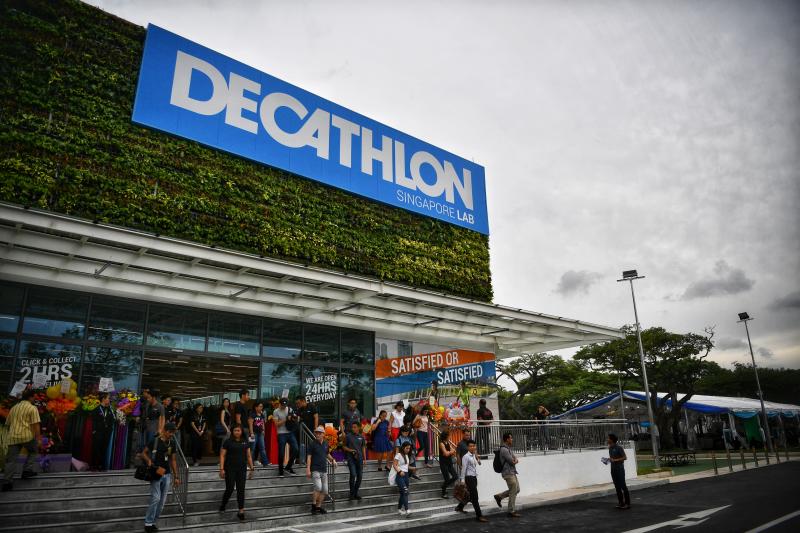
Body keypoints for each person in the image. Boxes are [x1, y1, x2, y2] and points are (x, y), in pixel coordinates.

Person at [141, 422, 180, 533]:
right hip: (156, 472)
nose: (171, 434)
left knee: (162, 502)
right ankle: (148, 523)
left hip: (167, 474)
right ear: (164, 430)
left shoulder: (172, 443)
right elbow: (143, 453)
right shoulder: (155, 441)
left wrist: (176, 476)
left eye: (173, 433)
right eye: (170, 432)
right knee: (156, 498)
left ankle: (153, 522)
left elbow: (173, 460)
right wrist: (148, 460)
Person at [2, 388, 41, 491]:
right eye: (34, 397)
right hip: (26, 436)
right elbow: (36, 424)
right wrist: (38, 438)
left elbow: (8, 423)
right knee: (33, 450)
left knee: (11, 460)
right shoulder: (32, 408)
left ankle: (7, 483)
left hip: (13, 437)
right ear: (30, 397)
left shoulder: (14, 408)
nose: (34, 399)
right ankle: (27, 470)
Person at [219, 423, 254, 521]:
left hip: (242, 469)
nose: (237, 432)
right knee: (230, 488)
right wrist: (221, 469)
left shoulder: (245, 442)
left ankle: (241, 511)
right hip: (230, 469)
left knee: (241, 490)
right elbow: (222, 455)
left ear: (241, 431)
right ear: (232, 432)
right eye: (235, 430)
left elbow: (248, 456)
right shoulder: (228, 442)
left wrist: (252, 468)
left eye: (238, 430)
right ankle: (223, 504)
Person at [306, 425, 336, 515]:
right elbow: (309, 457)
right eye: (317, 433)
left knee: (325, 491)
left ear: (323, 434)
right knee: (318, 487)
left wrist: (333, 460)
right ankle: (313, 506)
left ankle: (318, 507)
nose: (318, 435)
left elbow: (327, 454)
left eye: (320, 433)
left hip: (324, 470)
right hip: (315, 469)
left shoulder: (326, 444)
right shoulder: (312, 444)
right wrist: (308, 469)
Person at [456, 440, 487, 522]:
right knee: (475, 497)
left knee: (470, 496)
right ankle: (479, 515)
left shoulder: (473, 455)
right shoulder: (466, 457)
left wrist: (478, 460)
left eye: (474, 446)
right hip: (469, 478)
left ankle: (459, 507)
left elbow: (477, 463)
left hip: (474, 477)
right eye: (470, 446)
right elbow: (463, 469)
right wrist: (462, 480)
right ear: (467, 447)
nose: (472, 447)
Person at [493, 432, 521, 517]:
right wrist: (515, 461)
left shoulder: (508, 448)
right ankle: (511, 511)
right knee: (513, 491)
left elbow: (514, 457)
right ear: (507, 439)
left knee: (517, 489)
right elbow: (512, 461)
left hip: (512, 472)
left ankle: (499, 496)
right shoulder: (504, 450)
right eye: (511, 438)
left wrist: (515, 460)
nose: (512, 439)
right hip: (508, 473)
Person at [273, 397, 299, 476]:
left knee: (296, 449)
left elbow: (295, 419)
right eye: (283, 405)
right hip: (281, 433)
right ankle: (280, 470)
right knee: (281, 453)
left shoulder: (290, 409)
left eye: (285, 405)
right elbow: (276, 424)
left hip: (290, 432)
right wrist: (286, 419)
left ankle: (288, 466)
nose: (284, 406)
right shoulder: (276, 411)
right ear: (280, 404)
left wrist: (294, 418)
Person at [91, 392, 115, 471]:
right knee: (96, 448)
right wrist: (94, 430)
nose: (109, 400)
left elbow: (113, 420)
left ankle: (102, 465)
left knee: (104, 448)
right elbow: (94, 421)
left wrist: (110, 429)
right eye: (108, 398)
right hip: (98, 432)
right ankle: (94, 465)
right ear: (103, 399)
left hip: (107, 432)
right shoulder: (97, 409)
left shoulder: (110, 409)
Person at [343, 421, 366, 500]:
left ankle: (355, 493)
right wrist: (351, 450)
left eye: (355, 427)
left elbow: (363, 448)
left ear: (359, 428)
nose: (353, 429)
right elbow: (344, 447)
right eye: (352, 427)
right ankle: (351, 494)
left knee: (360, 477)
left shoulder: (362, 437)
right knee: (353, 475)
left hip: (359, 459)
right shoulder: (348, 436)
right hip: (351, 459)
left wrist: (365, 459)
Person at [607, 433, 630, 509]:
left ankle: (627, 503)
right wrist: (608, 460)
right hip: (613, 469)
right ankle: (621, 502)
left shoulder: (619, 448)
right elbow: (612, 458)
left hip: (619, 469)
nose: (607, 439)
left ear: (612, 440)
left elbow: (624, 457)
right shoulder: (610, 448)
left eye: (608, 438)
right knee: (617, 487)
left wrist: (615, 460)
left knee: (623, 486)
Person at [295, 396, 318, 465]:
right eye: (297, 403)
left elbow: (316, 417)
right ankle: (303, 460)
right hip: (303, 432)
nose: (298, 405)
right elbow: (296, 417)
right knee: (303, 445)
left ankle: (313, 460)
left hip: (311, 430)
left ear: (303, 401)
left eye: (298, 403)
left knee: (312, 445)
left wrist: (315, 429)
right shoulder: (300, 409)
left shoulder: (311, 406)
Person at [394, 440, 413, 517]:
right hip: (400, 476)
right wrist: (399, 471)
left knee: (403, 493)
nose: (408, 450)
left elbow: (406, 467)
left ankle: (399, 509)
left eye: (409, 448)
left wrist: (414, 468)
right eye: (407, 448)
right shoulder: (398, 455)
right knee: (405, 492)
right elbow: (395, 465)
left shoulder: (407, 456)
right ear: (403, 448)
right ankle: (407, 510)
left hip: (406, 476)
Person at [248, 401, 269, 467]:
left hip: (260, 433)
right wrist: (251, 433)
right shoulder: (252, 414)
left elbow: (262, 423)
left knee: (262, 448)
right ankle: (250, 463)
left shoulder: (261, 414)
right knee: (252, 448)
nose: (261, 408)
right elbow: (250, 424)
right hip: (254, 433)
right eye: (260, 406)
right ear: (256, 407)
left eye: (262, 406)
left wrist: (263, 430)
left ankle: (265, 463)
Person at [438, 429, 457, 498]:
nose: (450, 436)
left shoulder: (448, 442)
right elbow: (446, 454)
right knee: (447, 479)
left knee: (455, 476)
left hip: (449, 462)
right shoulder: (441, 443)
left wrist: (449, 452)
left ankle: (443, 486)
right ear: (446, 436)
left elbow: (453, 451)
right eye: (449, 435)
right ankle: (443, 493)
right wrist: (450, 452)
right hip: (443, 463)